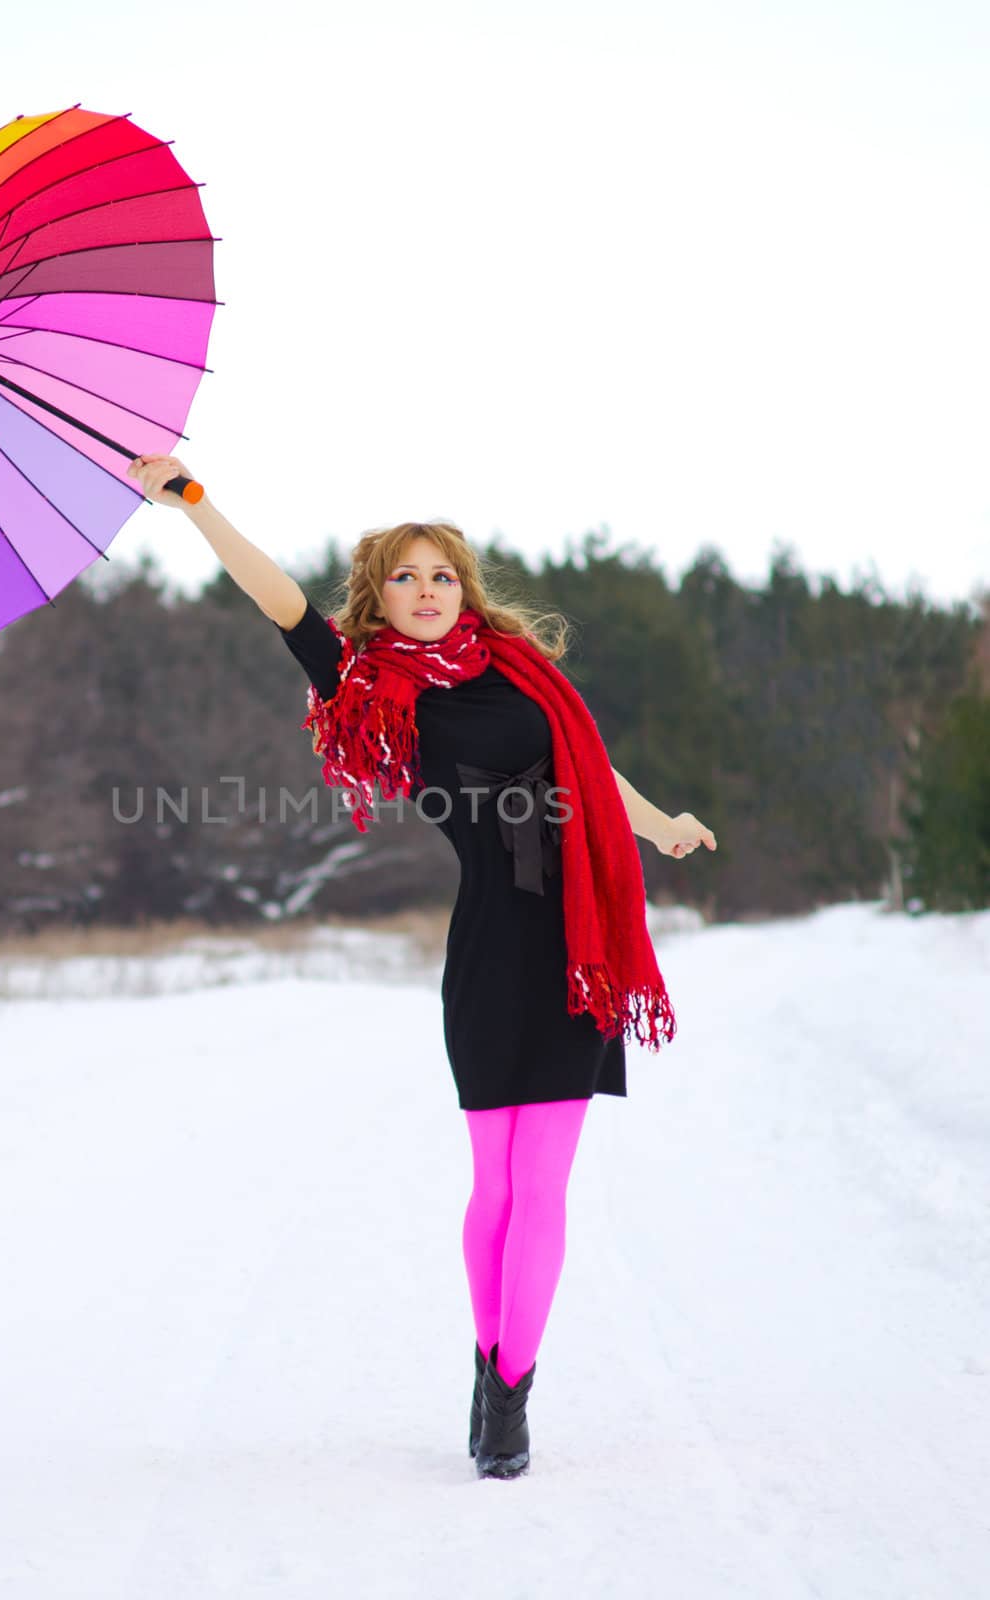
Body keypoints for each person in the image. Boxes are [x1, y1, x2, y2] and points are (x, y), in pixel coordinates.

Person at [126, 454, 717, 1480]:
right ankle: (490, 1358)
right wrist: (194, 504)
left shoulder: (525, 670)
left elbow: (589, 762)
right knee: (494, 1184)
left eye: (442, 572)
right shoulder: (370, 684)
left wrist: (661, 827)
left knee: (546, 1186)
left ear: (466, 586)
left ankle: (509, 1390)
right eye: (404, 576)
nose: (427, 589)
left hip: (578, 951)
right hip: (491, 951)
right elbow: (279, 600)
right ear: (380, 596)